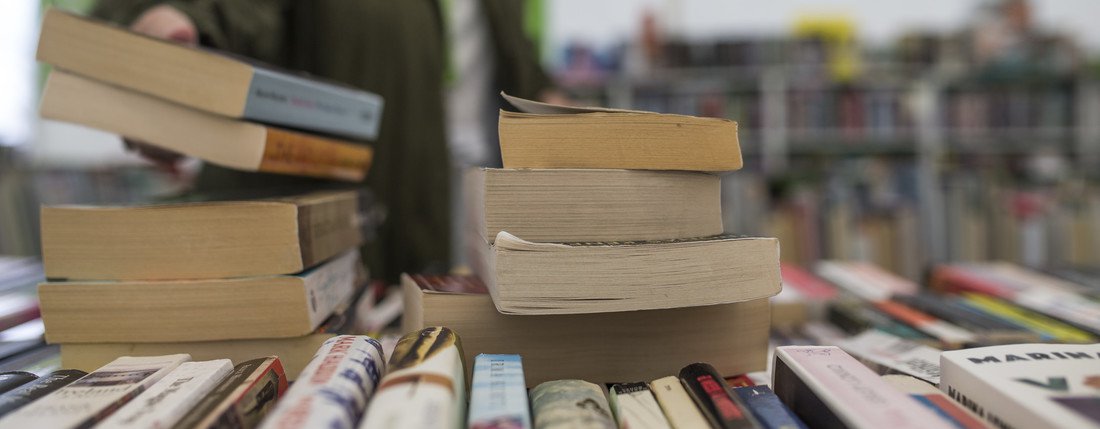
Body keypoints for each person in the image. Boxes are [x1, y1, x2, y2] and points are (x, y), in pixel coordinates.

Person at [91, 0, 555, 282]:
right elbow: (237, 13)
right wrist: (174, 33)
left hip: (468, 226)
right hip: (323, 248)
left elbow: (521, 71)